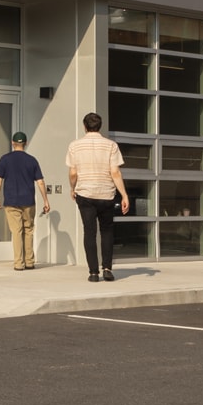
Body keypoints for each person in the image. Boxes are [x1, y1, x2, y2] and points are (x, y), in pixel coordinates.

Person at [66, 111, 130, 282]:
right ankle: (107, 269)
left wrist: (73, 188)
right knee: (107, 231)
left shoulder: (75, 145)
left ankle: (93, 273)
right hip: (106, 193)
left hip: (85, 192)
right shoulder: (111, 145)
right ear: (99, 126)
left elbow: (73, 172)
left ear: (84, 126)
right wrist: (124, 195)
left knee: (89, 232)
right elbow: (115, 172)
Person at [0, 131, 49, 270]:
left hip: (11, 201)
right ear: (26, 143)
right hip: (28, 201)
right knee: (28, 230)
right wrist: (46, 201)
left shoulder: (5, 159)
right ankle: (29, 262)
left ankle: (18, 263)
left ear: (12, 142)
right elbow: (40, 182)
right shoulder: (32, 160)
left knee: (16, 231)